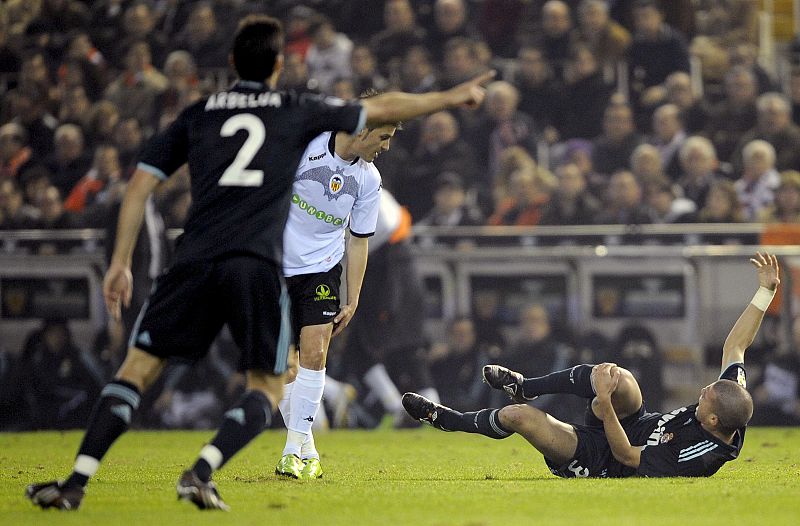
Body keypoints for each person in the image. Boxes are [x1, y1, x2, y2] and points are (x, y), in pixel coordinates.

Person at [25, 14, 494, 512]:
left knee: (141, 370)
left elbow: (140, 183)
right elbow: (379, 107)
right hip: (260, 263)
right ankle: (205, 469)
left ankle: (80, 481)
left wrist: (120, 262)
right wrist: (447, 97)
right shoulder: (294, 115)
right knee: (270, 382)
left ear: (230, 63)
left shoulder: (199, 112)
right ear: (277, 67)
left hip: (209, 254)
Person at [404, 252, 779, 478]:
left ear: (712, 422)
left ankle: (446, 419)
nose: (703, 391)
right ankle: (526, 385)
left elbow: (627, 456)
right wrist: (766, 291)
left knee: (520, 417)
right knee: (618, 376)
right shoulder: (732, 402)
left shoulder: (697, 454)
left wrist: (603, 405)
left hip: (603, 459)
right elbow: (736, 345)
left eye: (707, 397)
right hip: (636, 423)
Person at [275, 97, 395, 480]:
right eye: (383, 136)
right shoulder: (307, 147)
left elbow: (358, 240)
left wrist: (353, 295)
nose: (386, 146)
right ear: (361, 130)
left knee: (315, 352)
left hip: (322, 270)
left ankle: (292, 451)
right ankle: (307, 448)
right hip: (277, 266)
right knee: (282, 366)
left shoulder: (369, 179)